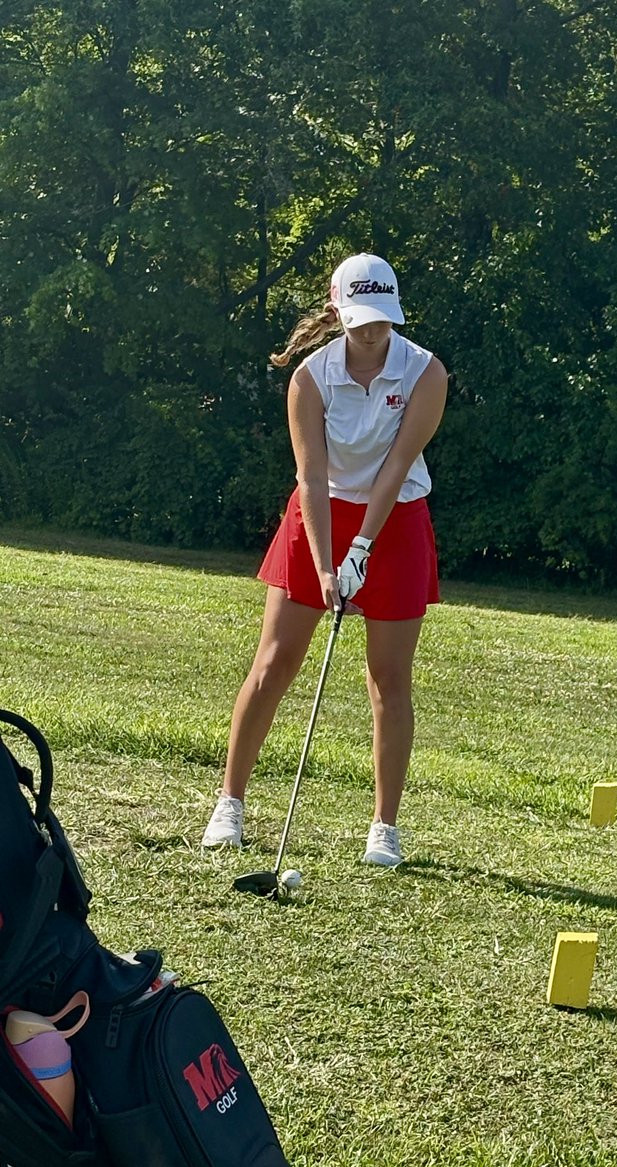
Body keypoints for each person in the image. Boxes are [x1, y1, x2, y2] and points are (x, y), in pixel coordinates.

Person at [201, 252, 447, 866]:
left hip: (396, 520)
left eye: (382, 319)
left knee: (389, 678)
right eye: (361, 319)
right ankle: (230, 803)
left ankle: (383, 828)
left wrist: (362, 546)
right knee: (275, 662)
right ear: (338, 310)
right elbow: (310, 478)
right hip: (319, 516)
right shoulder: (311, 377)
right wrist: (325, 562)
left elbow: (395, 466)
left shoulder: (425, 373)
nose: (372, 332)